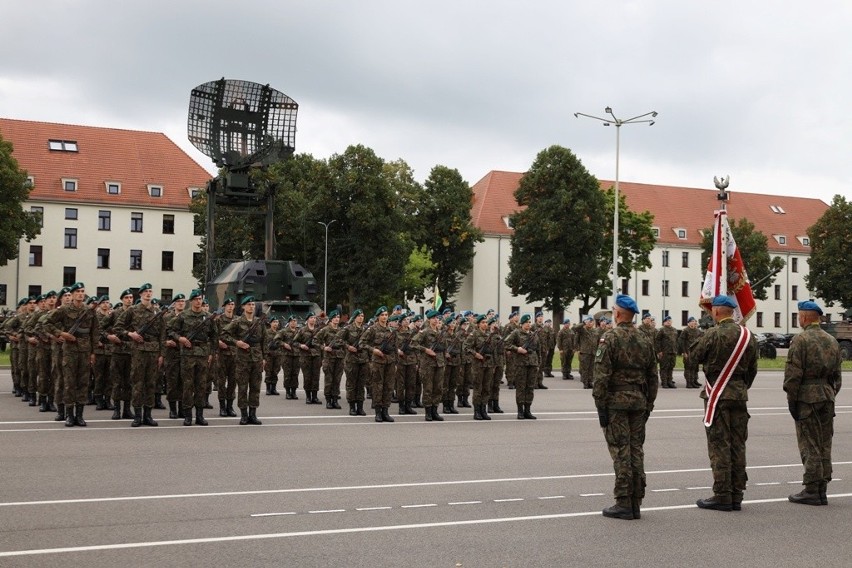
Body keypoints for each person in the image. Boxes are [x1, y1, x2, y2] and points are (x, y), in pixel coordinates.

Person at [690, 296, 758, 512]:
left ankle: (722, 495)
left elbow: (693, 358)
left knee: (720, 445)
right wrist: (740, 386)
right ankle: (737, 493)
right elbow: (753, 369)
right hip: (739, 395)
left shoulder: (712, 334)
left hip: (717, 396)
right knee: (738, 444)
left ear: (717, 312)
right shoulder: (748, 336)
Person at [593, 294, 658, 520]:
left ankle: (623, 502)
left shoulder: (609, 338)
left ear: (618, 314)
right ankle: (636, 500)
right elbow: (653, 376)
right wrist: (649, 403)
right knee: (636, 450)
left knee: (621, 451)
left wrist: (600, 405)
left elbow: (601, 376)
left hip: (616, 403)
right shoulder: (645, 339)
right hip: (639, 402)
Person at [784, 300, 842, 506]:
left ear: (806, 317)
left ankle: (811, 489)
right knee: (824, 443)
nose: (798, 319)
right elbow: (837, 377)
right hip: (827, 396)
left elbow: (793, 375)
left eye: (799, 315)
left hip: (807, 397)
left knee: (809, 443)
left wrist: (792, 400)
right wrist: (829, 392)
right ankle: (821, 488)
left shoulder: (801, 340)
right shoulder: (832, 340)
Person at [44, 282, 99, 427]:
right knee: (69, 383)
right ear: (73, 294)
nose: (81, 294)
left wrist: (93, 352)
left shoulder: (89, 310)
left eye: (82, 291)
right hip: (69, 350)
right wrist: (61, 334)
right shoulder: (64, 310)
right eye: (78, 291)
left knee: (83, 383)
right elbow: (47, 323)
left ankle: (79, 416)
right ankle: (69, 415)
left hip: (85, 351)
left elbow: (94, 332)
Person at [114, 283, 166, 427]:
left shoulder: (157, 312)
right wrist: (130, 334)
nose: (148, 294)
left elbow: (162, 334)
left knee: (151, 383)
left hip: (154, 351)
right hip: (138, 351)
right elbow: (118, 327)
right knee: (137, 383)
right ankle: (137, 415)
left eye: (150, 291)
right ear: (141, 294)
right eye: (146, 292)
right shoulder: (133, 310)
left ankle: (148, 415)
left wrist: (162, 354)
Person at [171, 289, 217, 426]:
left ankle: (200, 415)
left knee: (201, 385)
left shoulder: (208, 317)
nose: (199, 301)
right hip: (188, 354)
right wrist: (180, 338)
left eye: (200, 299)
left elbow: (214, 336)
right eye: (196, 299)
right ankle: (188, 415)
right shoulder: (183, 316)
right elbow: (170, 330)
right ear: (191, 301)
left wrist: (211, 353)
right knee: (187, 385)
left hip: (203, 354)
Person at [221, 297, 267, 425]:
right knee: (242, 387)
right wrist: (237, 343)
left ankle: (253, 414)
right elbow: (224, 334)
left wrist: (264, 358)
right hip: (242, 359)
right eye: (249, 304)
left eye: (253, 304)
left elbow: (264, 340)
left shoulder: (259, 322)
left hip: (257, 358)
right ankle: (244, 415)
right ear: (243, 307)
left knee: (255, 387)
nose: (251, 307)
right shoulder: (237, 322)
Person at [358, 306, 397, 422]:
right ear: (378, 316)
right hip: (378, 362)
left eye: (386, 315)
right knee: (378, 386)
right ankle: (378, 412)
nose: (384, 317)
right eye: (382, 315)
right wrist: (373, 350)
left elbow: (395, 347)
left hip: (389, 361)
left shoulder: (391, 330)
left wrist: (395, 362)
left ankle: (386, 411)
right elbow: (361, 343)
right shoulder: (372, 329)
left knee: (388, 387)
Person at [505, 314, 540, 419]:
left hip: (532, 363)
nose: (529, 324)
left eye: (530, 323)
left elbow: (538, 350)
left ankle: (527, 410)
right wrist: (517, 349)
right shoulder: (516, 333)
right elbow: (506, 344)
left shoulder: (534, 335)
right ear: (522, 324)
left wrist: (538, 363)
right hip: (521, 364)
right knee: (521, 387)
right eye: (526, 323)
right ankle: (520, 411)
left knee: (530, 387)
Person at [678, 316, 703, 388]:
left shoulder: (698, 331)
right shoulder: (685, 331)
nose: (694, 323)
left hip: (696, 352)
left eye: (695, 321)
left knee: (695, 367)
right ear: (688, 323)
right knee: (688, 368)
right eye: (692, 321)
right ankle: (689, 382)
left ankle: (694, 381)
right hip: (688, 351)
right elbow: (681, 342)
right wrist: (683, 352)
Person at [655, 315, 678, 388]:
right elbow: (657, 340)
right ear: (664, 322)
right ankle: (664, 382)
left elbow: (676, 341)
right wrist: (659, 351)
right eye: (667, 321)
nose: (669, 322)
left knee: (671, 367)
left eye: (670, 321)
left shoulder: (674, 330)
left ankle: (670, 381)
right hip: (665, 351)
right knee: (664, 367)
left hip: (673, 351)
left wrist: (676, 349)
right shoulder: (662, 330)